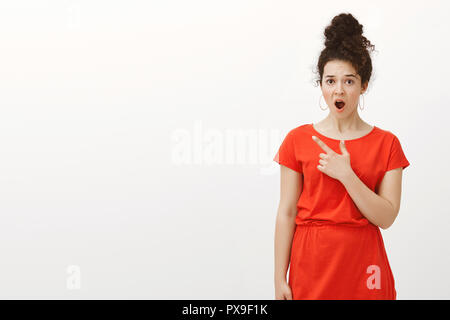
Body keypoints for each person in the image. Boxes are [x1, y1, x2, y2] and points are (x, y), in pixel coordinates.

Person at [273, 12, 410, 300]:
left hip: (363, 265)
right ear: (321, 84)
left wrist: (347, 175)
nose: (339, 90)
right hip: (311, 263)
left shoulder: (388, 144)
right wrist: (278, 277)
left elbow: (386, 217)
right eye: (330, 80)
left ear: (363, 86)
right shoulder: (297, 140)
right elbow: (287, 213)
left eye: (349, 81)